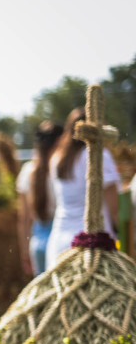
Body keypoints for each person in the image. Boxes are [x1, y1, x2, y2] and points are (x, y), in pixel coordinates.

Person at [45, 109, 120, 265]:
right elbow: (115, 209)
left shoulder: (57, 158)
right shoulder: (98, 156)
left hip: (59, 242)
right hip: (92, 243)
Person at [17, 121, 63, 275]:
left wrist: (24, 251)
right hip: (60, 238)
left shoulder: (27, 171)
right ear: (59, 141)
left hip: (37, 241)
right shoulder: (61, 169)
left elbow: (23, 218)